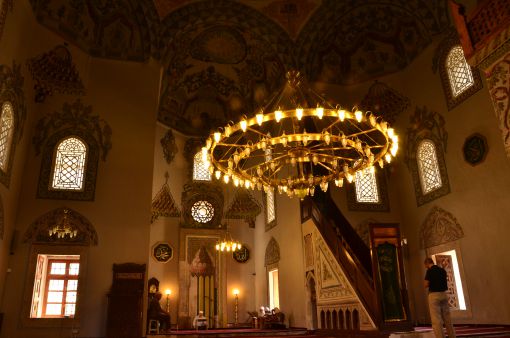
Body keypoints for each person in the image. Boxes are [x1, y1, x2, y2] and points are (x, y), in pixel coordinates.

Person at [424, 257, 456, 338]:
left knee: (436, 319)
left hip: (434, 295)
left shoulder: (429, 271)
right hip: (444, 294)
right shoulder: (442, 270)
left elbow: (426, 284)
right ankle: (452, 336)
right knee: (447, 318)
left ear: (427, 264)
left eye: (425, 265)